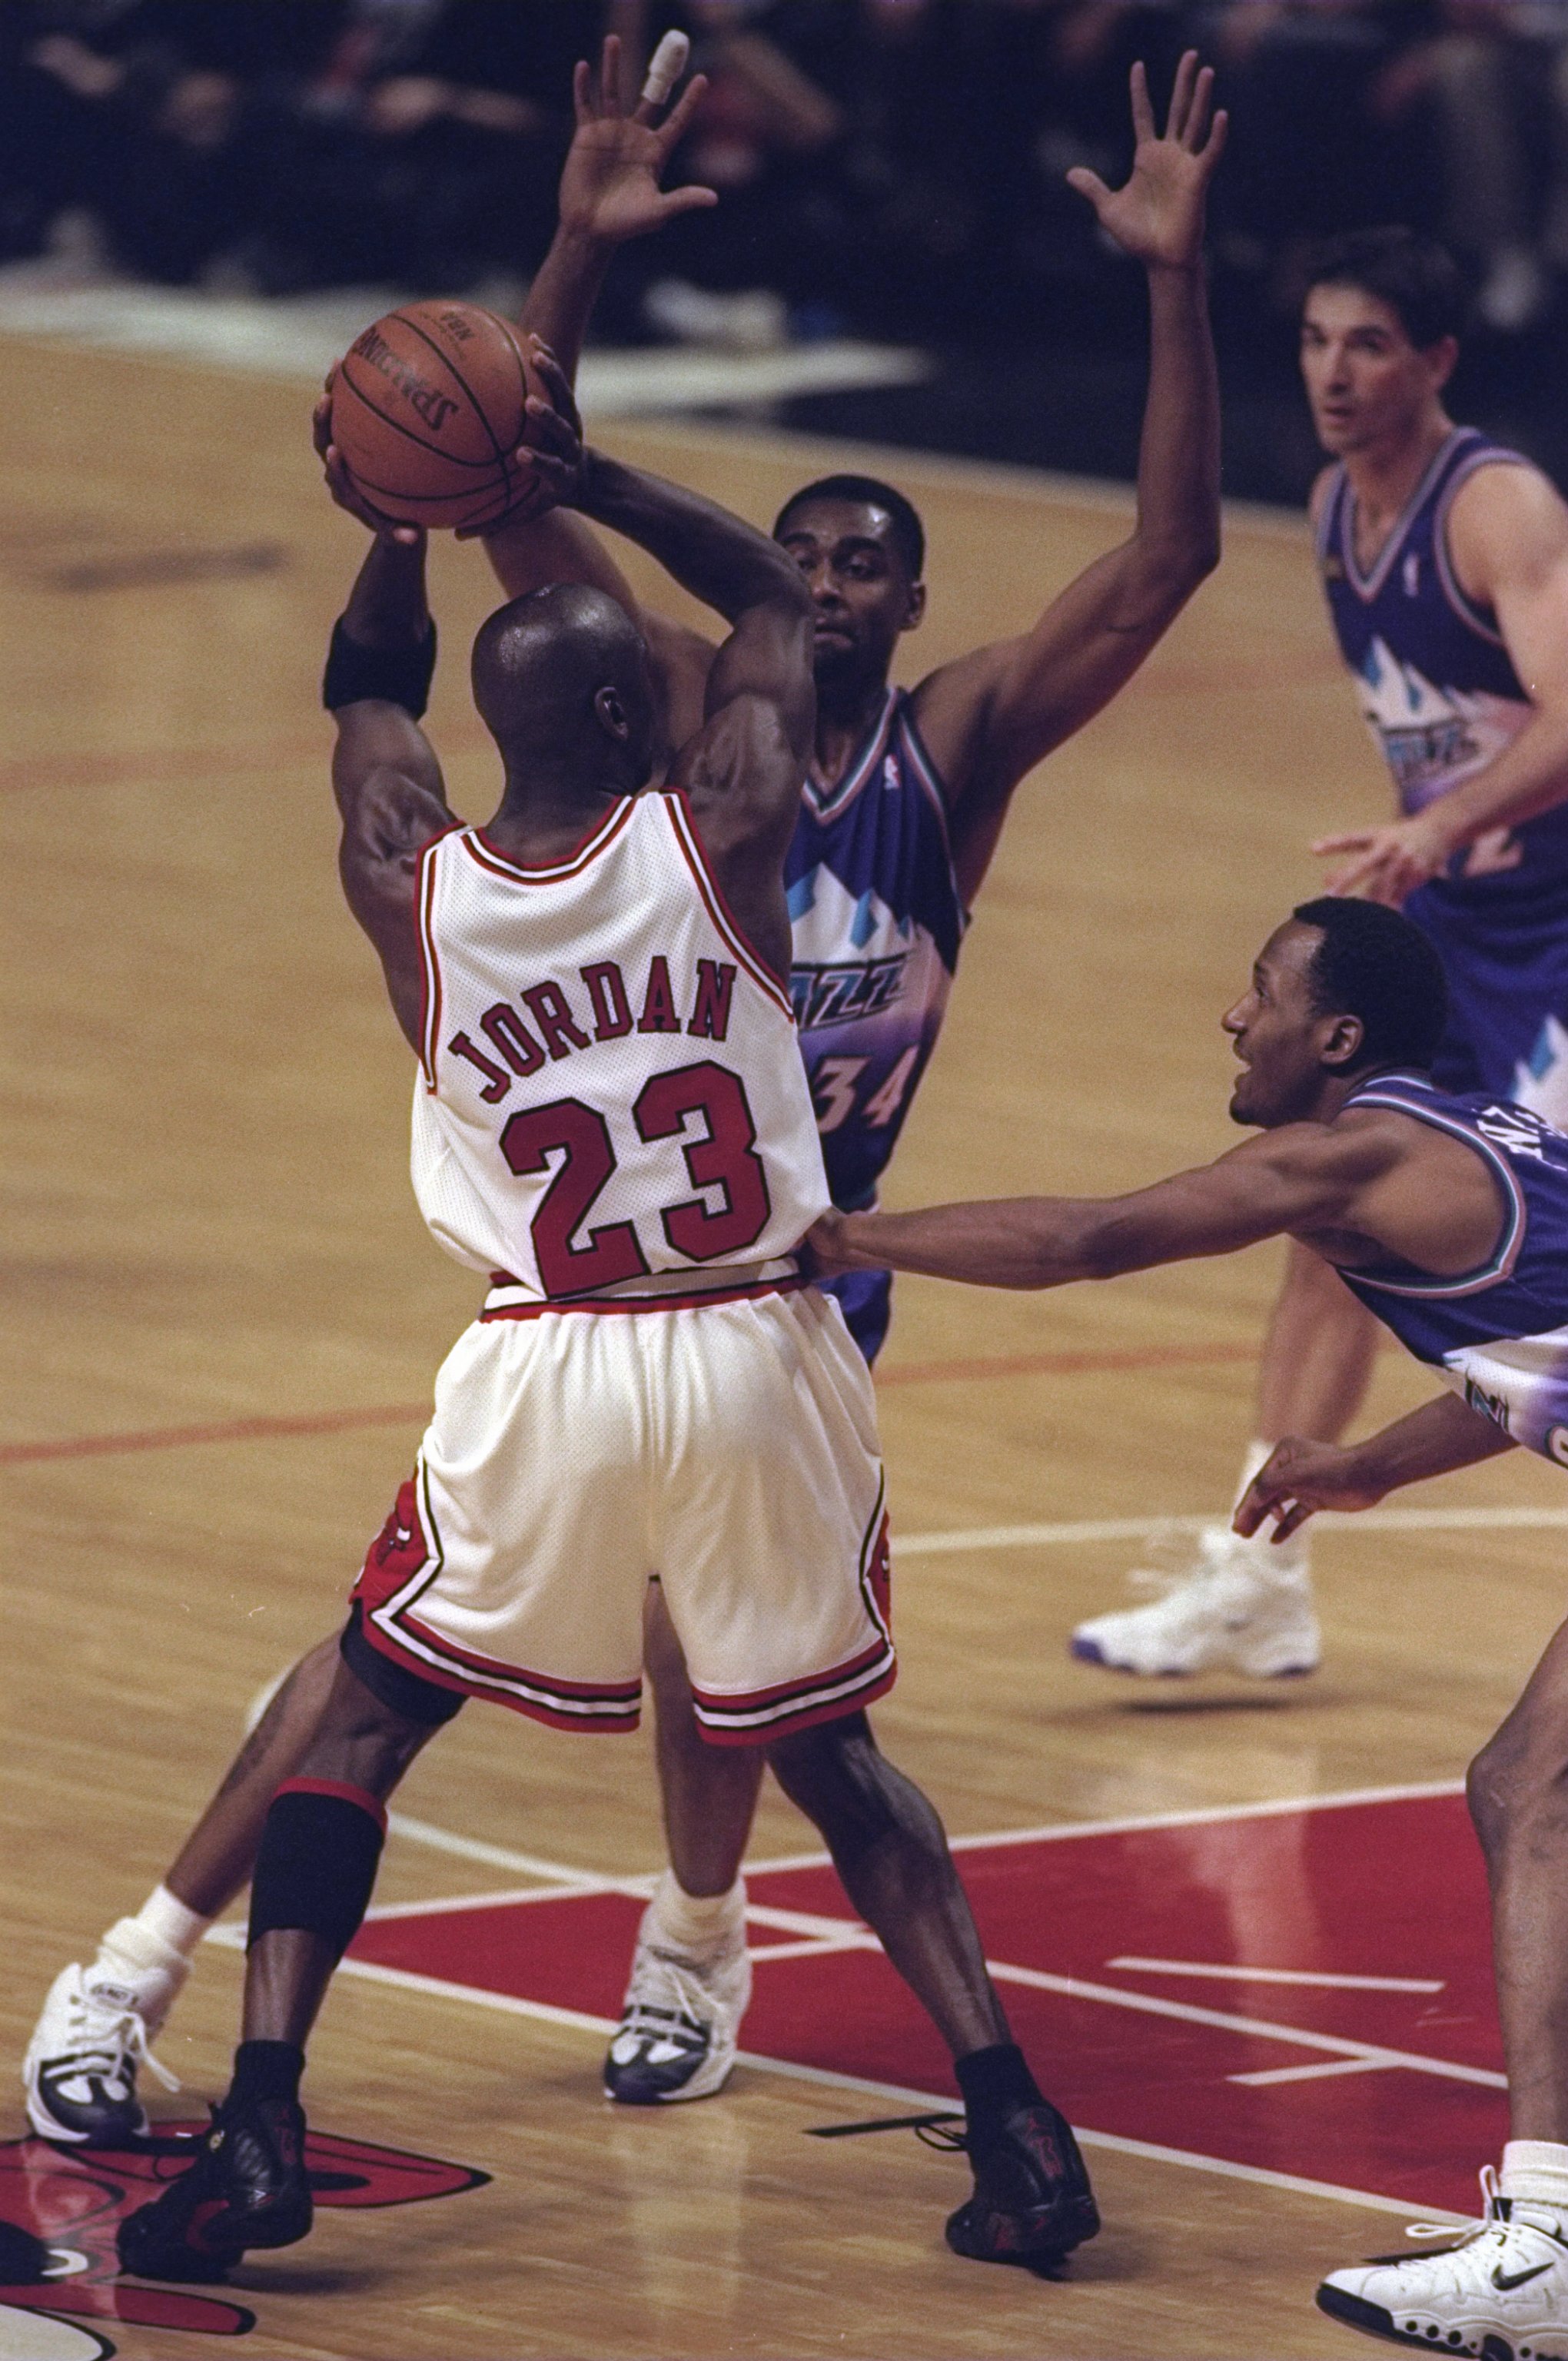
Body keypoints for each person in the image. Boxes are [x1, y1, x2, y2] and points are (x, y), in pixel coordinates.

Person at [23, 34, 1224, 2140]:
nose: (834, 589)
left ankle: (692, 1940)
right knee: (507, 1666)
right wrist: (564, 257)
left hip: (804, 1260)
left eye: (870, 567)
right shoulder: (689, 731)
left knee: (715, 1678)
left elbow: (1170, 558)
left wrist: (1168, 281)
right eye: (810, 563)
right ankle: (147, 1966)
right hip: (641, 1274)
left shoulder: (956, 748)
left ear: (915, 602)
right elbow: (501, 485)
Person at [108, 349, 1098, 2286]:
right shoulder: (727, 826)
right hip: (755, 1342)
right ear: (648, 716)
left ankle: (255, 2130)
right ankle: (1017, 2129)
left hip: (545, 1355)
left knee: (369, 1713)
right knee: (835, 1757)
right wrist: (600, 475)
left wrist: (399, 529)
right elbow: (766, 612)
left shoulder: (410, 878)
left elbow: (367, 696)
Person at [812, 891, 1568, 2353]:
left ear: (1335, 1036)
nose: (1236, 1013)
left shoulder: (1352, 1154)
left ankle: (1545, 2251)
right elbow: (1543, 1367)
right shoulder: (1478, 1142)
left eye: (1261, 988)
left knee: (1531, 1794)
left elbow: (1095, 1238)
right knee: (1524, 1789)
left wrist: (846, 1233)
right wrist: (1364, 1465)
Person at [1072, 222, 1568, 1682]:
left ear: (1437, 361)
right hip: (1466, 934)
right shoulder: (1338, 506)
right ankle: (1257, 1576)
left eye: (1369, 344)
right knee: (1329, 1226)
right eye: (1315, 341)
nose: (1336, 373)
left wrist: (1438, 827)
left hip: (1555, 946)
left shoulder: (1497, 508)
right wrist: (1433, 855)